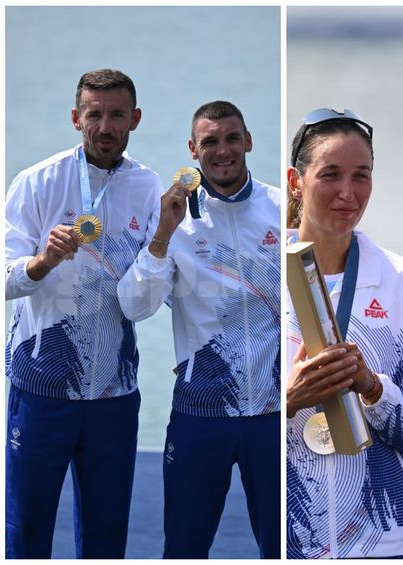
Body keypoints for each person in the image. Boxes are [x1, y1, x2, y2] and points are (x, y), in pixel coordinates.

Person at [4, 68, 161, 559]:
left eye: (117, 115)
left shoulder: (150, 188)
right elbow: (2, 280)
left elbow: (149, 300)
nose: (105, 126)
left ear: (135, 119)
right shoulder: (36, 183)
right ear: (76, 118)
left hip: (115, 394)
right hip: (42, 389)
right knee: (27, 532)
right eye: (95, 115)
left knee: (106, 536)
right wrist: (42, 261)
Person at [118, 101, 281, 559]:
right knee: (185, 549)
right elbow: (134, 306)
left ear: (248, 141)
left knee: (283, 548)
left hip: (275, 413)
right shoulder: (173, 219)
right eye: (210, 142)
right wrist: (163, 235)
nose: (222, 151)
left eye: (232, 138)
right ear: (193, 150)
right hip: (200, 412)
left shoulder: (282, 210)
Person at [284, 108, 403, 559]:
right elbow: (234, 415)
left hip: (383, 541)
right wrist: (289, 398)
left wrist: (373, 389)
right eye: (330, 175)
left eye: (362, 176)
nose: (348, 194)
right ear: (296, 181)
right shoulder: (264, 273)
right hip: (289, 540)